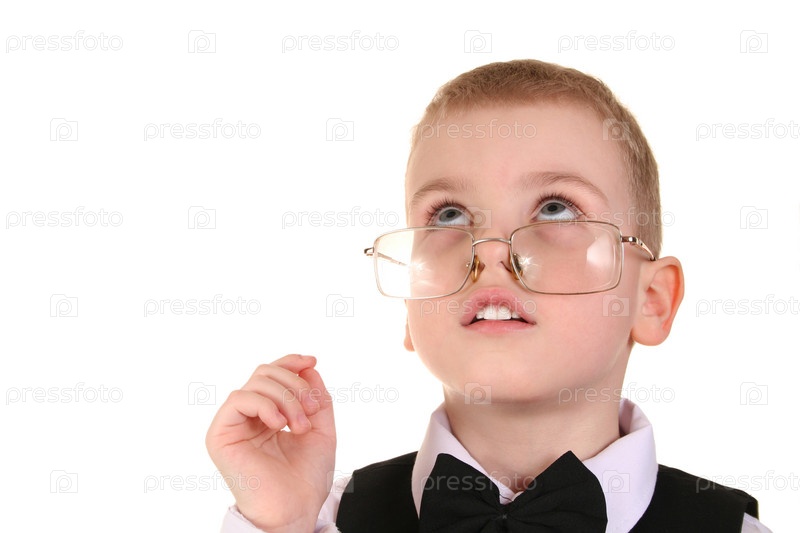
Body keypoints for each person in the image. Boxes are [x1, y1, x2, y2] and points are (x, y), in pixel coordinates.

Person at [206, 59, 771, 532]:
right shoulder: (315, 520)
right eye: (449, 215)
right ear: (411, 303)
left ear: (651, 300)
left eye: (556, 208)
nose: (491, 252)